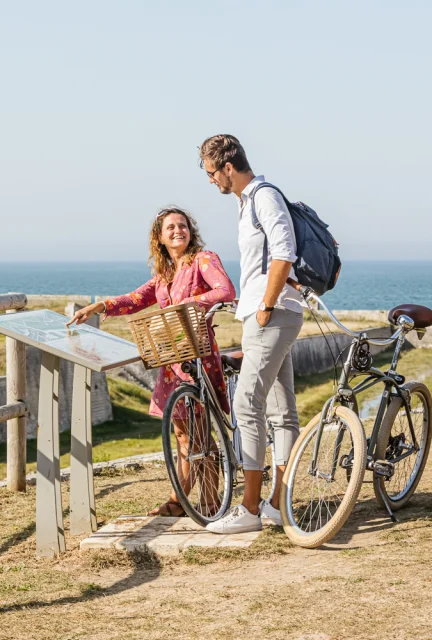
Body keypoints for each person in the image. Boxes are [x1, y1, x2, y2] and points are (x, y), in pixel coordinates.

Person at [67, 207, 236, 517]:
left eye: (182, 226)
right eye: (170, 227)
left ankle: (211, 502)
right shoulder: (163, 276)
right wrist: (97, 307)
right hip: (172, 361)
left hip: (197, 356)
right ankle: (179, 500)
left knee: (200, 433)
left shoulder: (203, 259)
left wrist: (191, 302)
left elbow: (226, 290)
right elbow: (134, 300)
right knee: (182, 434)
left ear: (190, 231)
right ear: (160, 237)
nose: (177, 231)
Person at [199, 134, 304, 533]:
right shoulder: (247, 203)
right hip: (270, 315)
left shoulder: (262, 196)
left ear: (228, 167)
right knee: (281, 411)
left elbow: (284, 252)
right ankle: (278, 503)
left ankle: (250, 508)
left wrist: (264, 307)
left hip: (271, 316)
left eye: (212, 173)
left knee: (246, 405)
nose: (211, 181)